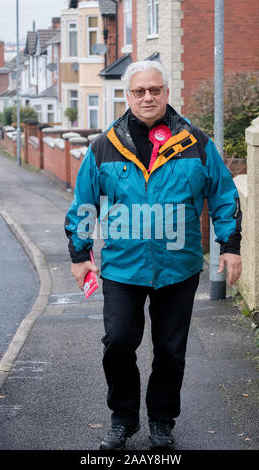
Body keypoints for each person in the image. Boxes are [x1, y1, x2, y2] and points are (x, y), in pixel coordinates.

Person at [65, 61, 242, 450]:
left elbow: (224, 193)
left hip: (177, 266)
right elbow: (84, 204)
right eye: (139, 91)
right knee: (118, 343)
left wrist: (229, 247)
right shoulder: (104, 145)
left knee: (170, 350)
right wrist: (80, 255)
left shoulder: (196, 143)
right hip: (121, 269)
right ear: (128, 96)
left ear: (166, 93)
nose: (148, 97)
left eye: (155, 90)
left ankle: (162, 421)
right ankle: (123, 419)